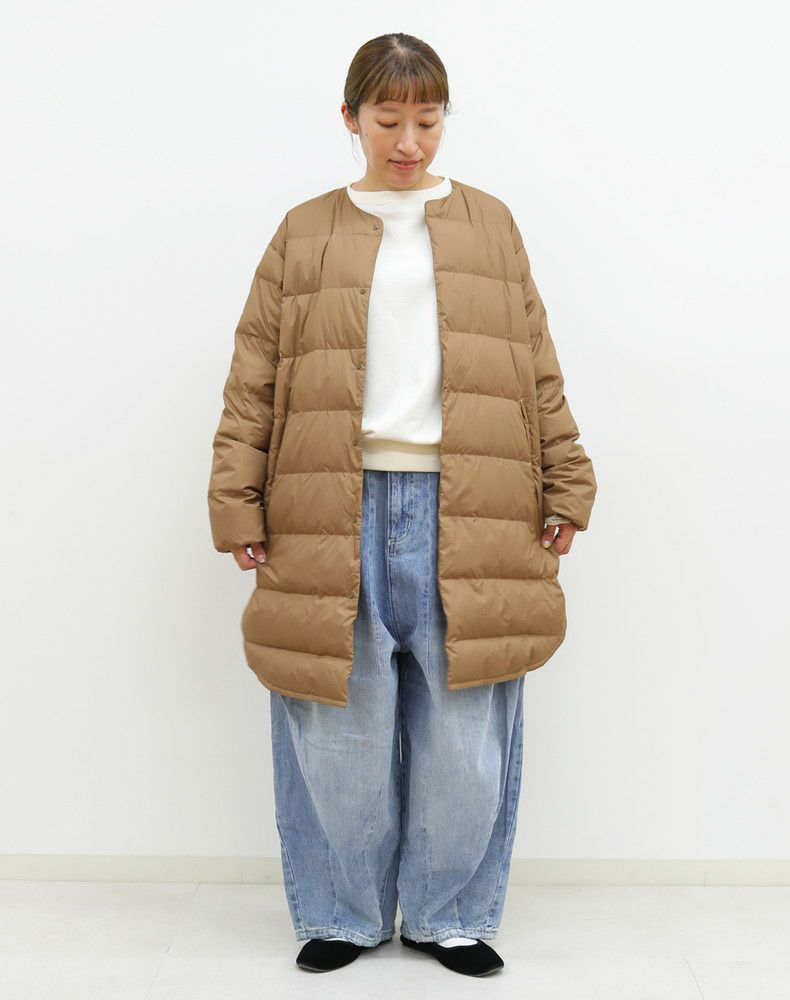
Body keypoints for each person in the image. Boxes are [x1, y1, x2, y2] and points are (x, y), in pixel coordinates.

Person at [208, 32, 597, 977]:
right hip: (326, 503)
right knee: (337, 730)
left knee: (467, 734)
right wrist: (237, 500)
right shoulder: (304, 231)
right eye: (388, 120)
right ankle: (340, 914)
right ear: (351, 119)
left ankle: (448, 913)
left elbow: (534, 366)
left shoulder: (491, 226)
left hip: (474, 501)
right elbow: (254, 376)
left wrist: (567, 479)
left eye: (427, 120)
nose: (409, 141)